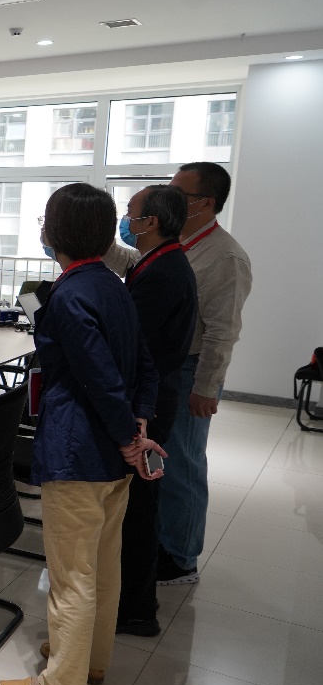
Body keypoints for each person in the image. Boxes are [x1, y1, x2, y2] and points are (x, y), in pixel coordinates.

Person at [0, 183, 163, 685]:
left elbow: (99, 380)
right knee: (104, 564)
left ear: (58, 231)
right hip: (114, 458)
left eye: (45, 222)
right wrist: (137, 430)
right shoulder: (114, 285)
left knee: (72, 574)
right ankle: (89, 659)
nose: (43, 231)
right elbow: (144, 369)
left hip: (79, 452)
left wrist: (127, 436)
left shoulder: (69, 295)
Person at [155, 163, 252, 585]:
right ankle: (164, 539)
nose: (169, 199)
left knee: (183, 464)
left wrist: (206, 387)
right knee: (162, 458)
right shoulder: (175, 242)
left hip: (191, 369)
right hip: (166, 367)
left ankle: (181, 558)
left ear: (205, 202)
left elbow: (222, 331)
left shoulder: (225, 257)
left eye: (179, 193)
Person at [116, 186, 197, 635]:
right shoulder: (156, 263)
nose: (126, 220)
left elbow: (134, 343)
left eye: (130, 213)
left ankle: (136, 609)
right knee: (137, 506)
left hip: (150, 404)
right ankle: (134, 603)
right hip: (153, 394)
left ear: (152, 222)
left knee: (138, 509)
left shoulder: (165, 272)